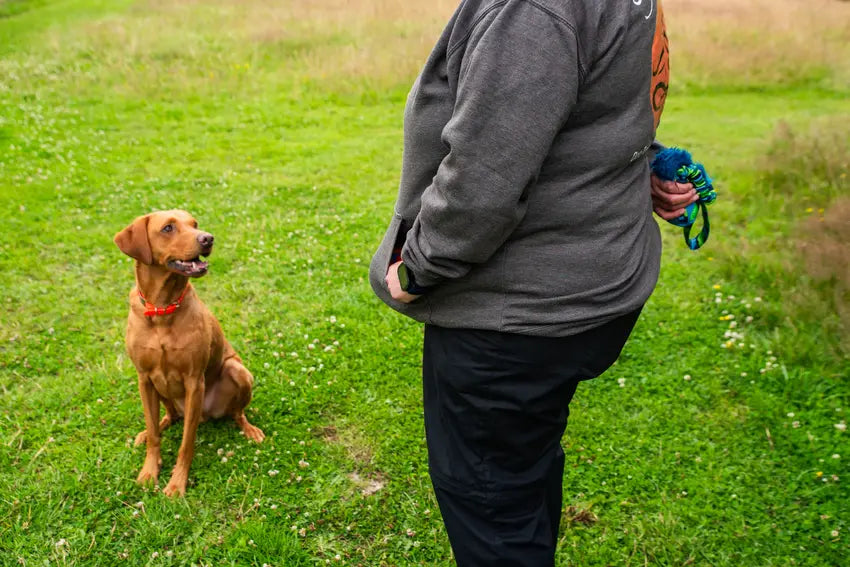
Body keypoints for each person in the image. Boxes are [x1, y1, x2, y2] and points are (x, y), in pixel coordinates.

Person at [369, 0, 699, 564]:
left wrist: (419, 269)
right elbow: (602, 96)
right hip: (589, 290)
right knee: (519, 471)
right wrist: (627, 166)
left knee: (490, 504)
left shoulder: (533, 10)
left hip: (516, 319)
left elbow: (483, 179)